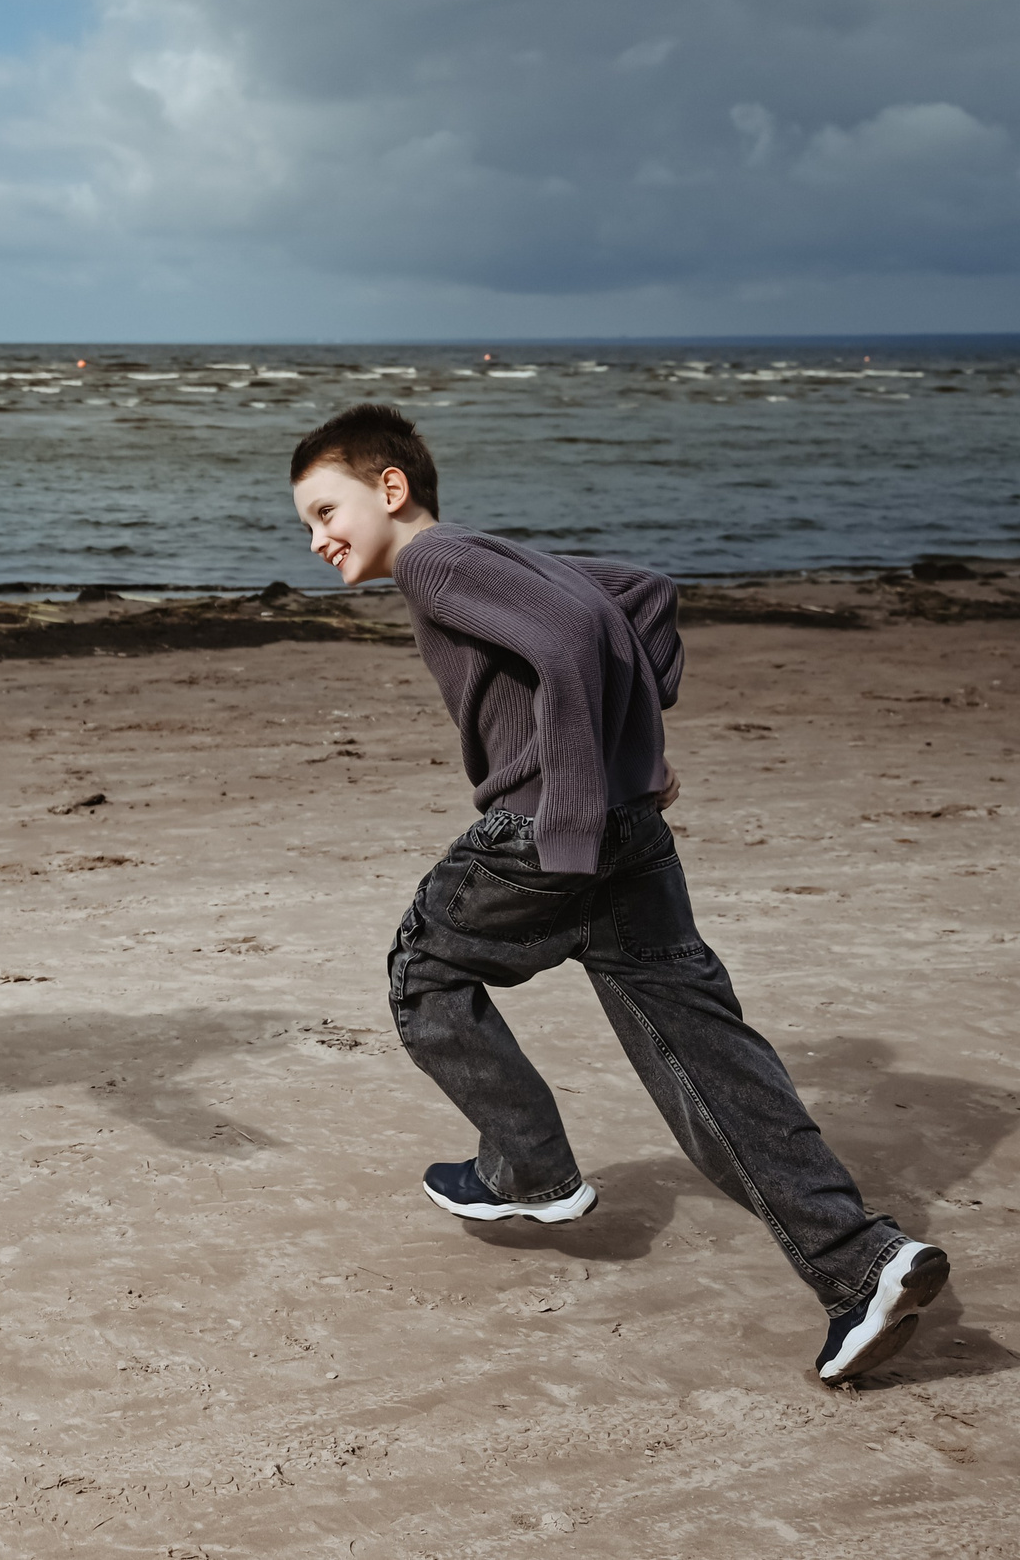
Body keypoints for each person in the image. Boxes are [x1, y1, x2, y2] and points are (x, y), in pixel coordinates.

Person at [286, 403, 947, 1385]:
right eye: (304, 522)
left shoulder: (434, 560)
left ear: (391, 488)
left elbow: (561, 643)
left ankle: (528, 1168)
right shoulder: (496, 554)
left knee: (422, 967)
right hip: (627, 836)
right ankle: (862, 1261)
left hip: (551, 831)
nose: (316, 536)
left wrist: (576, 799)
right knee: (705, 1061)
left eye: (325, 507)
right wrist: (642, 758)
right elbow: (642, 594)